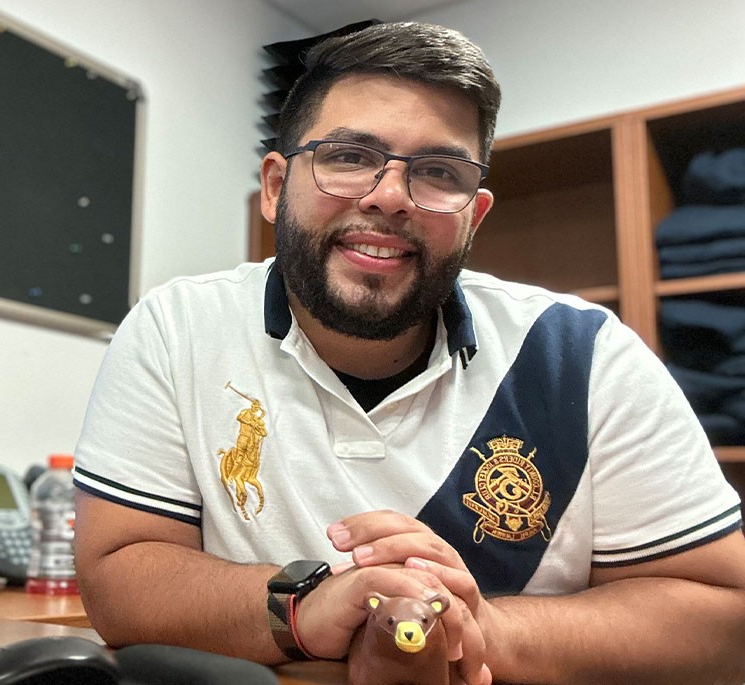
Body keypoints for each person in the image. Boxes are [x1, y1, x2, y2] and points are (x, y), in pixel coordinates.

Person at [71, 21, 745, 685]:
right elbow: (121, 571)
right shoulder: (178, 326)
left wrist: (485, 628)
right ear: (276, 187)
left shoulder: (587, 354)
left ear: (473, 214)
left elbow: (724, 618)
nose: (389, 196)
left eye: (438, 171)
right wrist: (306, 605)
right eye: (347, 155)